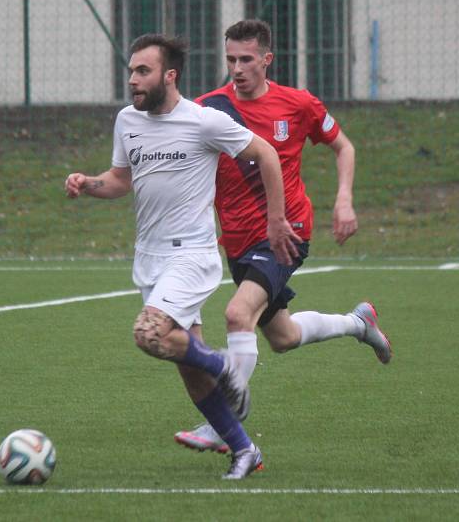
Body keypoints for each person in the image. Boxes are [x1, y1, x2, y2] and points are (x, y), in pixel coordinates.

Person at [65, 33, 301, 479]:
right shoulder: (127, 121)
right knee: (184, 365)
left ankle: (228, 370)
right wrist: (88, 183)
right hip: (149, 259)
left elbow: (266, 154)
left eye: (143, 71)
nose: (133, 79)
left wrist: (275, 221)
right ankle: (245, 450)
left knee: (149, 334)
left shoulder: (204, 121)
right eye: (131, 70)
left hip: (191, 255)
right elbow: (120, 179)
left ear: (169, 76)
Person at [173, 19, 392, 454]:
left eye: (246, 60)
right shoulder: (209, 109)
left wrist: (343, 200)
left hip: (284, 234)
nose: (237, 68)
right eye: (231, 59)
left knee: (238, 316)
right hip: (236, 241)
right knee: (283, 337)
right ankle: (358, 323)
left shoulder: (298, 105)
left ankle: (222, 423)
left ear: (266, 60)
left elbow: (343, 146)